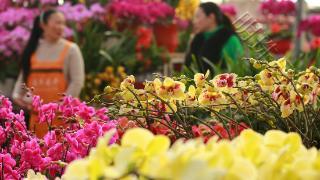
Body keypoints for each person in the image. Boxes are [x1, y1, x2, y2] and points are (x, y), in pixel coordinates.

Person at [12, 9, 85, 137]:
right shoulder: (33, 49)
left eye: (63, 23)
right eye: (57, 22)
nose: (61, 27)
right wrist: (17, 96)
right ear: (43, 25)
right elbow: (24, 76)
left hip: (62, 119)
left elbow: (77, 81)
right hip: (37, 118)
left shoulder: (71, 49)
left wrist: (61, 106)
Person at [185, 2, 243, 73]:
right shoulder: (197, 39)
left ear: (211, 17)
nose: (194, 21)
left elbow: (238, 70)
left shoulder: (229, 39)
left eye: (197, 16)